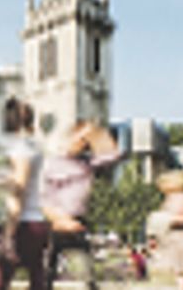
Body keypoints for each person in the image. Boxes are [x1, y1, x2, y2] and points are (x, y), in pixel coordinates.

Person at [39, 118, 122, 290]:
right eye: (78, 139)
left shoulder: (86, 164)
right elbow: (45, 198)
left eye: (85, 142)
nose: (81, 144)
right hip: (58, 221)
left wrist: (94, 134)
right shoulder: (55, 164)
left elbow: (113, 155)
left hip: (77, 221)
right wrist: (58, 219)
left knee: (87, 271)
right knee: (48, 271)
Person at [0, 98, 48, 290]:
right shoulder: (36, 147)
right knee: (36, 280)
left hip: (24, 224)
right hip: (39, 221)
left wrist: (8, 233)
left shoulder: (21, 148)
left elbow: (19, 188)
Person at [152, 171, 183, 289]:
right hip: (168, 237)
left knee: (180, 272)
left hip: (180, 238)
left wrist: (170, 219)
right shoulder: (168, 199)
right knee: (173, 273)